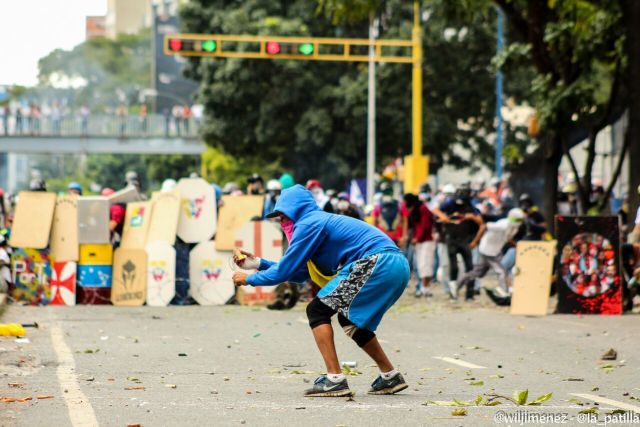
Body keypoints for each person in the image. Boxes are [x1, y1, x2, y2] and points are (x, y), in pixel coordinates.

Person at [232, 185, 410, 397]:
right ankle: (390, 376)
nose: (282, 222)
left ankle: (334, 379)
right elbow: (297, 273)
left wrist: (249, 279)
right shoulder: (316, 224)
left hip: (377, 262)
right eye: (279, 218)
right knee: (349, 320)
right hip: (394, 266)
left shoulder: (309, 223)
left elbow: (283, 272)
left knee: (317, 311)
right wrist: (257, 263)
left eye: (283, 215)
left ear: (295, 209)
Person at [458, 208, 525, 300]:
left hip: (495, 251)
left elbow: (508, 238)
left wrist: (517, 245)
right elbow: (484, 226)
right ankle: (504, 292)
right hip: (486, 249)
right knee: (501, 271)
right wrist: (475, 242)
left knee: (479, 272)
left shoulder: (514, 228)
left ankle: (458, 285)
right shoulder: (502, 225)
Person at [433, 186, 485, 300]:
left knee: (469, 267)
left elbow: (482, 224)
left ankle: (469, 294)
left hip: (465, 240)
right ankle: (453, 294)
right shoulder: (450, 203)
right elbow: (436, 210)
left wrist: (475, 240)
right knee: (454, 267)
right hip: (451, 239)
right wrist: (444, 217)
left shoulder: (471, 207)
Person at [404, 193, 436, 297]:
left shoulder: (422, 208)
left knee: (425, 264)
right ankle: (423, 288)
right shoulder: (415, 209)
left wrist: (417, 237)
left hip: (426, 240)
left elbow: (425, 225)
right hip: (419, 241)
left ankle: (425, 288)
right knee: (420, 265)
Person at [372, 182, 408, 247]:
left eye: (389, 191)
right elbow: (374, 223)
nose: (387, 193)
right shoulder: (378, 206)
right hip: (383, 239)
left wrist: (404, 237)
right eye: (385, 192)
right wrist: (375, 239)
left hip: (398, 239)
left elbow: (405, 221)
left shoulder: (400, 205)